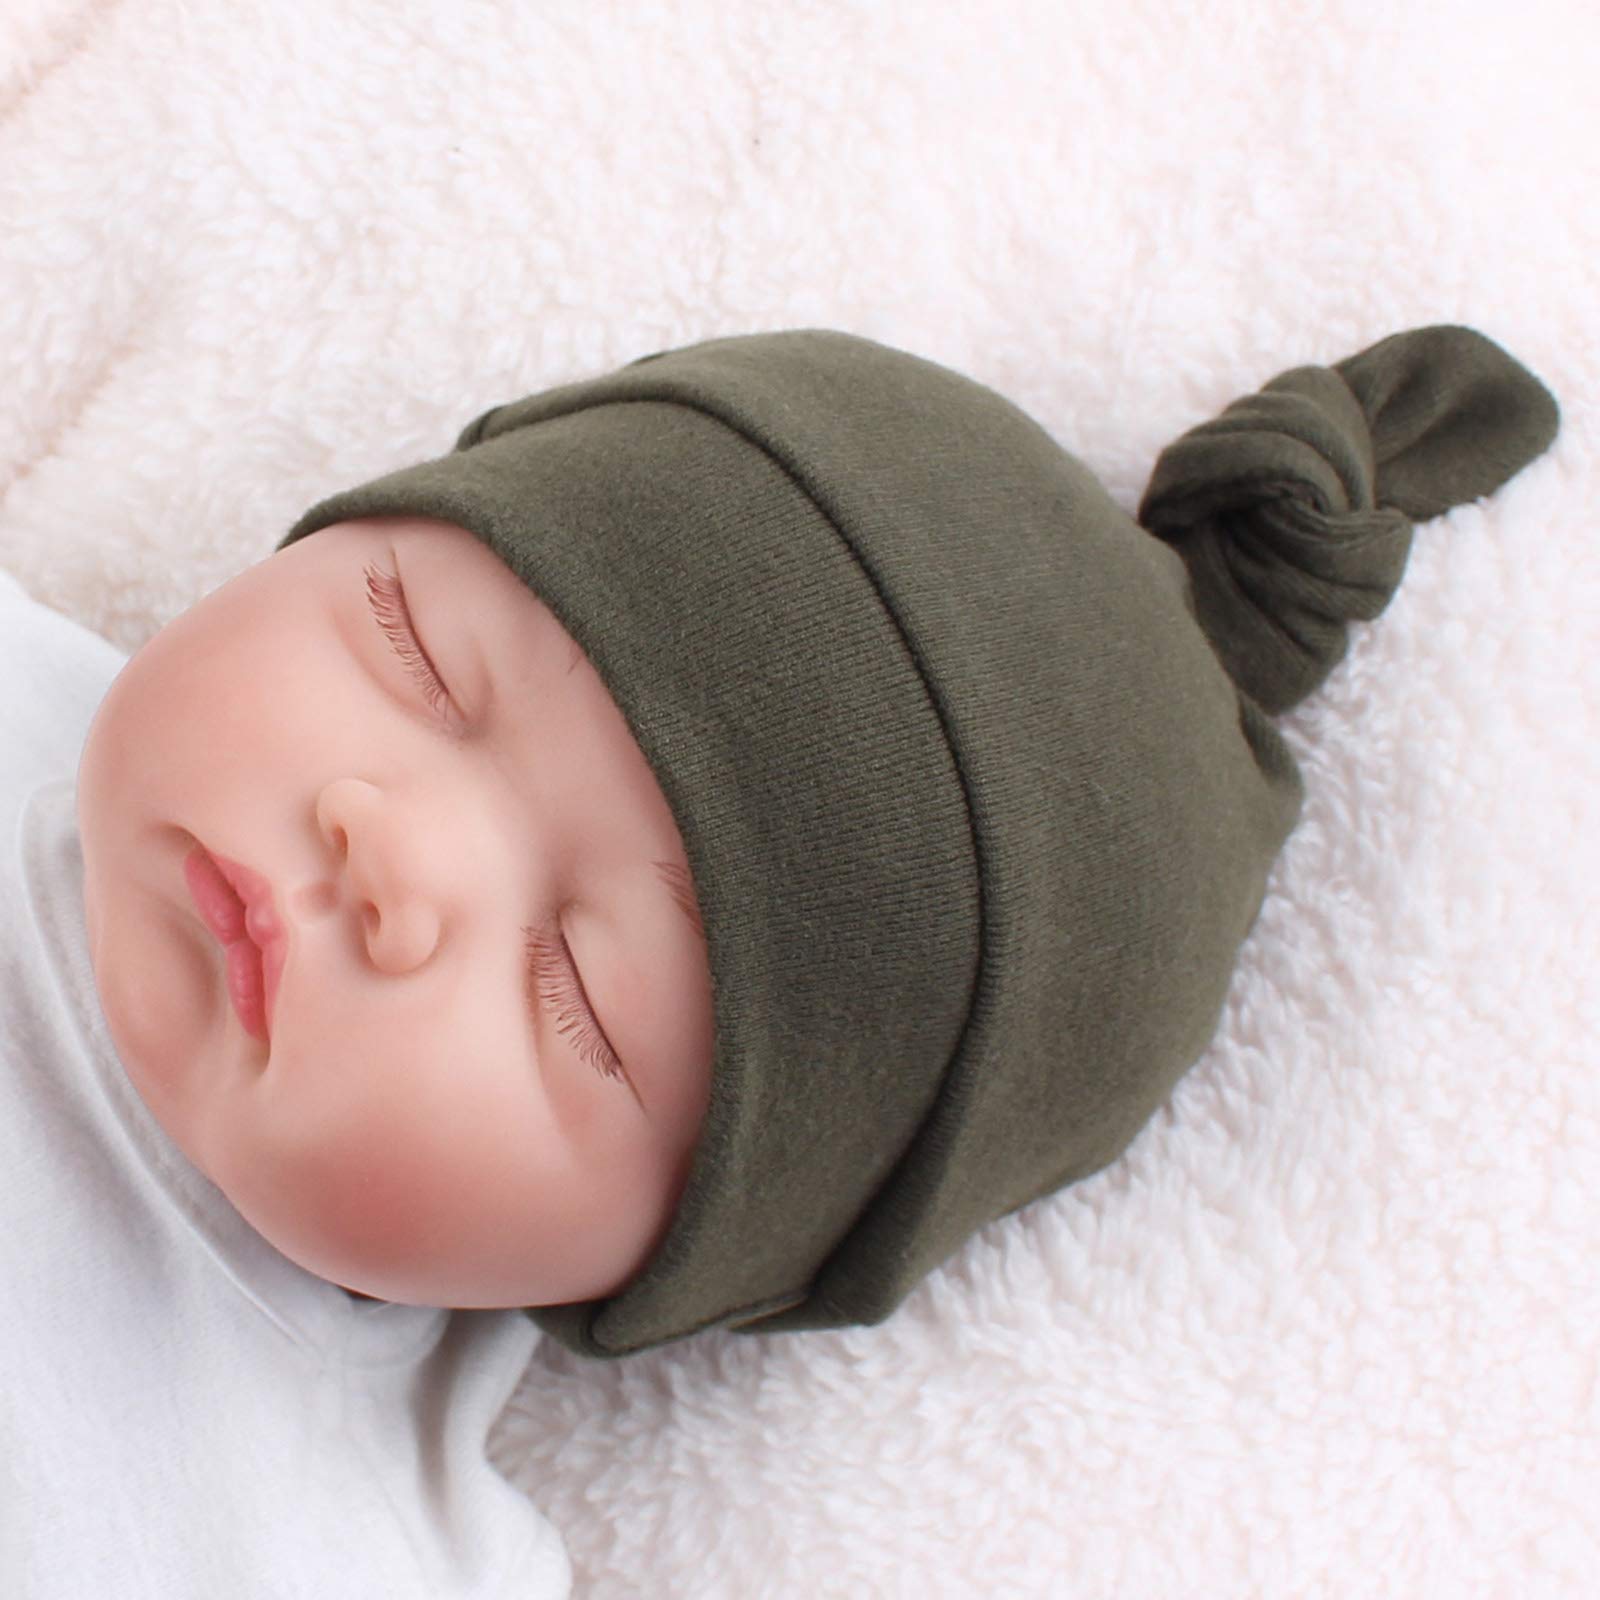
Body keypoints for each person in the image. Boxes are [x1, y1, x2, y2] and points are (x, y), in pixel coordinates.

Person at [1, 323, 1558, 1591]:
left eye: (578, 999)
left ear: (671, 1277)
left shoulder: (303, 1550)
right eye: (414, 654)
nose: (388, 853)